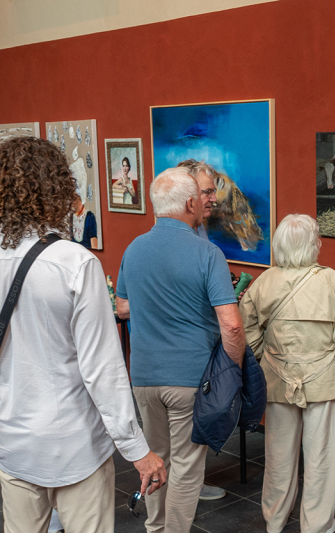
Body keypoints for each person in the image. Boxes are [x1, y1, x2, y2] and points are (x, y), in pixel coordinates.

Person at [0, 136, 166, 533]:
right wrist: (137, 451)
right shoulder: (75, 263)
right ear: (58, 187)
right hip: (73, 445)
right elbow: (102, 369)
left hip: (13, 441)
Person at [116, 167, 245, 533]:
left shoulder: (134, 248)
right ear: (190, 203)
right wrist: (233, 370)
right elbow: (231, 324)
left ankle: (155, 528)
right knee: (187, 468)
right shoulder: (207, 253)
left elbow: (122, 308)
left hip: (143, 377)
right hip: (189, 380)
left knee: (155, 460)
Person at [240, 214, 335, 533]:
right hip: (323, 379)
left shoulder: (265, 281)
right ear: (312, 244)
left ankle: (275, 520)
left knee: (278, 457)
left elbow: (246, 326)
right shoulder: (330, 280)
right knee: (321, 459)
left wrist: (260, 357)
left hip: (277, 378)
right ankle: (317, 527)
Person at [176, 158, 229, 502]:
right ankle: (183, 494)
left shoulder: (200, 229)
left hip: (196, 345)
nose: (214, 198)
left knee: (188, 431)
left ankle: (190, 485)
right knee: (180, 433)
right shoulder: (178, 234)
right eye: (208, 192)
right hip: (183, 352)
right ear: (189, 194)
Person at [177, 158, 218, 240]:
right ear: (187, 193)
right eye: (208, 192)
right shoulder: (176, 236)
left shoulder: (199, 227)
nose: (214, 199)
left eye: (213, 191)